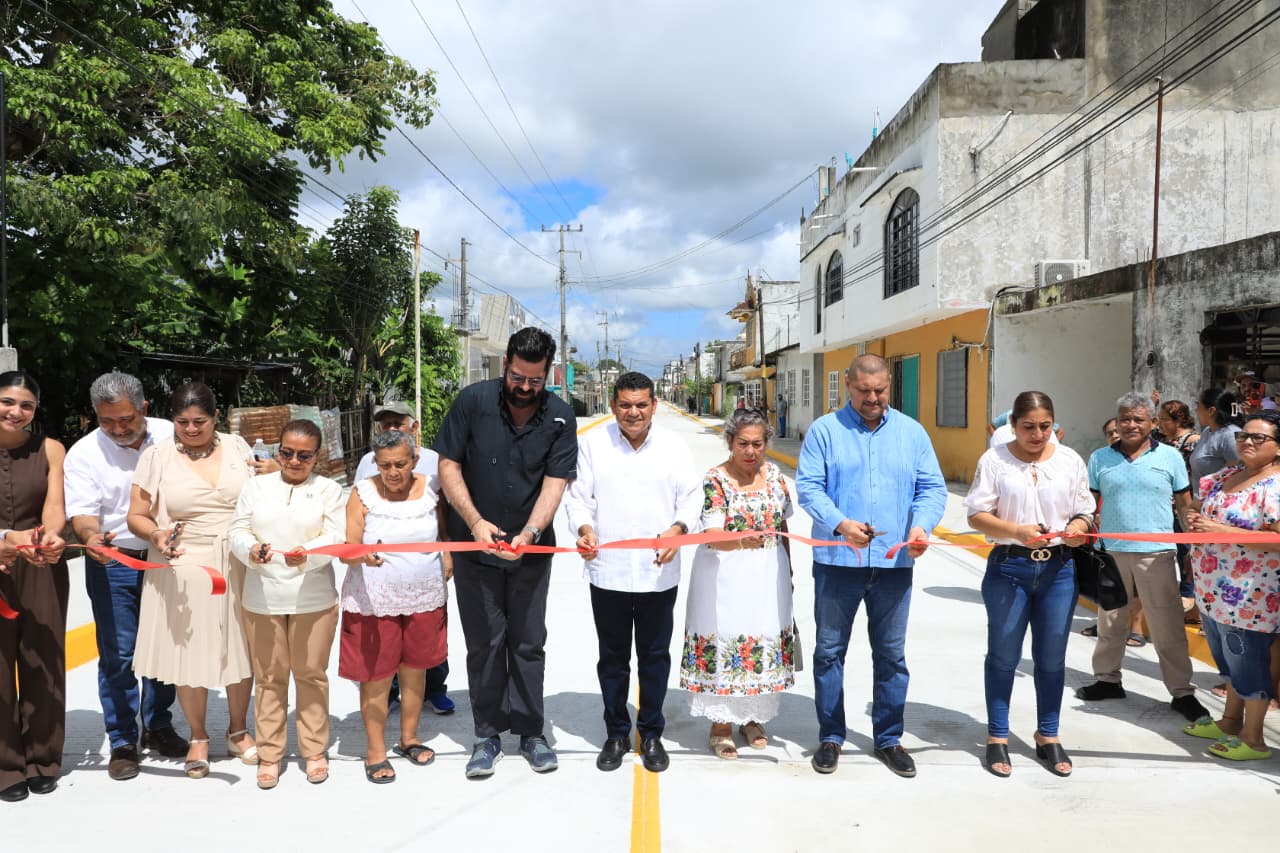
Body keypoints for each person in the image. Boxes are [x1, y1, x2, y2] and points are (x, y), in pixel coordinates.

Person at [434, 327, 578, 778]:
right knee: (484, 644)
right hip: (476, 551)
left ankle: (532, 733)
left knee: (528, 643)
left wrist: (533, 531)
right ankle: (487, 736)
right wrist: (475, 523)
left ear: (547, 375)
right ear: (505, 366)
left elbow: (557, 480)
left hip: (532, 552)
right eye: (518, 377)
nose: (525, 388)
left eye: (535, 381)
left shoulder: (559, 415)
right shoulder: (472, 402)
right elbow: (448, 464)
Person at [796, 354, 947, 778]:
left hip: (894, 564)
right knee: (829, 652)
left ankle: (889, 738)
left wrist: (920, 528)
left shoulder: (912, 433)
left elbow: (932, 488)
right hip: (838, 563)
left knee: (891, 655)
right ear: (848, 384)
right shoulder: (825, 431)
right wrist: (841, 524)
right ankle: (830, 736)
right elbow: (808, 488)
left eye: (880, 390)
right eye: (864, 391)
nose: (873, 398)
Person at [565, 372, 701, 773]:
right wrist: (585, 530)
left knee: (655, 657)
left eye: (641, 404)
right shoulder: (592, 444)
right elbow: (578, 499)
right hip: (607, 572)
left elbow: (691, 498)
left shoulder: (674, 447)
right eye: (625, 404)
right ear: (613, 406)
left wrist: (677, 531)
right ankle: (617, 733)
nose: (633, 412)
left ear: (654, 405)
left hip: (658, 575)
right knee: (613, 658)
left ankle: (652, 732)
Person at [127, 382, 258, 779]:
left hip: (236, 555)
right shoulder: (157, 456)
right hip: (183, 560)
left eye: (199, 421)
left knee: (240, 645)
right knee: (188, 651)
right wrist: (155, 535)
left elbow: (260, 493)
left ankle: (238, 730)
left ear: (216, 417)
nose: (191, 429)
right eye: (182, 422)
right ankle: (198, 736)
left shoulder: (237, 448)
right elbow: (138, 514)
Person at [64, 372, 188, 781]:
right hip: (113, 562)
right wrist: (90, 537)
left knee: (164, 647)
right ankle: (122, 740)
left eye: (126, 420)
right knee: (118, 655)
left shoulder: (174, 435)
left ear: (145, 409)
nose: (118, 429)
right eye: (107, 422)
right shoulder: (83, 454)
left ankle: (158, 725)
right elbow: (82, 512)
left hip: (166, 558)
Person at [965, 392, 1094, 778]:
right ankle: (997, 736)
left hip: (1059, 570)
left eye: (1044, 426)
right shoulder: (995, 461)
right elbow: (977, 515)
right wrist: (1017, 532)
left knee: (1052, 659)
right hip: (1010, 568)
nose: (1037, 434)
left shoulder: (1070, 460)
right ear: (1013, 426)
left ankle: (1048, 735)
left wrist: (1078, 528)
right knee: (1003, 655)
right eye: (1028, 427)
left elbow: (1084, 509)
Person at [1075, 392, 1209, 723]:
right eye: (1125, 418)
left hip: (1158, 554)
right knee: (1110, 620)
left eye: (1138, 419)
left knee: (1167, 626)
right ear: (1116, 422)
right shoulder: (1099, 459)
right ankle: (1107, 680)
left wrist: (1194, 537)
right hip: (1112, 553)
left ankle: (1182, 692)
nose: (1131, 424)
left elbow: (1183, 502)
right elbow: (1088, 503)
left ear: (1152, 423)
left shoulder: (1171, 458)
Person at [229, 420, 344, 788]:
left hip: (313, 598)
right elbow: (238, 530)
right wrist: (251, 550)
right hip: (263, 597)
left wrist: (307, 554)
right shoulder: (256, 486)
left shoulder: (328, 490)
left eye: (304, 455)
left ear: (317, 456)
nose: (294, 461)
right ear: (278, 451)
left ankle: (313, 750)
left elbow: (336, 536)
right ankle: (270, 753)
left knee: (311, 676)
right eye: (287, 453)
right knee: (269, 679)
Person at [680, 407, 797, 759]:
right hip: (724, 577)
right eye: (743, 443)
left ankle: (751, 718)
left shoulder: (775, 476)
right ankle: (720, 724)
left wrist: (788, 569)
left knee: (760, 639)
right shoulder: (715, 480)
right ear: (730, 442)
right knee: (727, 640)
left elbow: (783, 526)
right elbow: (712, 534)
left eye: (758, 444)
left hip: (766, 575)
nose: (751, 452)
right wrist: (743, 540)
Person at [338, 429, 449, 785]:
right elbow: (349, 545)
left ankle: (409, 738)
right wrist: (362, 557)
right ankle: (375, 750)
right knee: (377, 675)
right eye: (385, 465)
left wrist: (448, 560)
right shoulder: (363, 493)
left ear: (414, 460)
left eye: (401, 464)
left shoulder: (432, 489)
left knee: (415, 668)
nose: (393, 472)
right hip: (375, 600)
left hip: (423, 597)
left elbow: (445, 536)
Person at [1182, 411, 1280, 761]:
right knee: (1227, 659)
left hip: (1251, 593)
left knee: (1248, 661)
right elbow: (1202, 511)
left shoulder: (1275, 485)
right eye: (1244, 436)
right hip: (1213, 589)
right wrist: (1195, 518)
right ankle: (1229, 721)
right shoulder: (1228, 474)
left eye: (1259, 438)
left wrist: (1217, 531)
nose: (1248, 442)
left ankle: (1253, 739)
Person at [354, 401, 454, 717]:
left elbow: (445, 512)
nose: (393, 428)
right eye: (386, 424)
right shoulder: (368, 463)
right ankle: (393, 691)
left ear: (415, 426)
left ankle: (435, 690)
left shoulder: (436, 462)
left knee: (428, 630)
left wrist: (448, 551)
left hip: (424, 568)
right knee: (386, 634)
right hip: (382, 570)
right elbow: (357, 507)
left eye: (399, 422)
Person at [0, 372, 69, 802]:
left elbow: (55, 505)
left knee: (43, 660)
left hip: (39, 561)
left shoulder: (50, 448)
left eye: (27, 405)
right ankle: (6, 766)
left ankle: (43, 758)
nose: (16, 412)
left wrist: (52, 536)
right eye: (7, 401)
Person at [1189, 388, 1242, 498]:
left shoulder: (1230, 435)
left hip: (1219, 506)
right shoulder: (1207, 431)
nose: (1196, 410)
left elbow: (1238, 473)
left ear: (1211, 411)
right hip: (1201, 503)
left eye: (1198, 405)